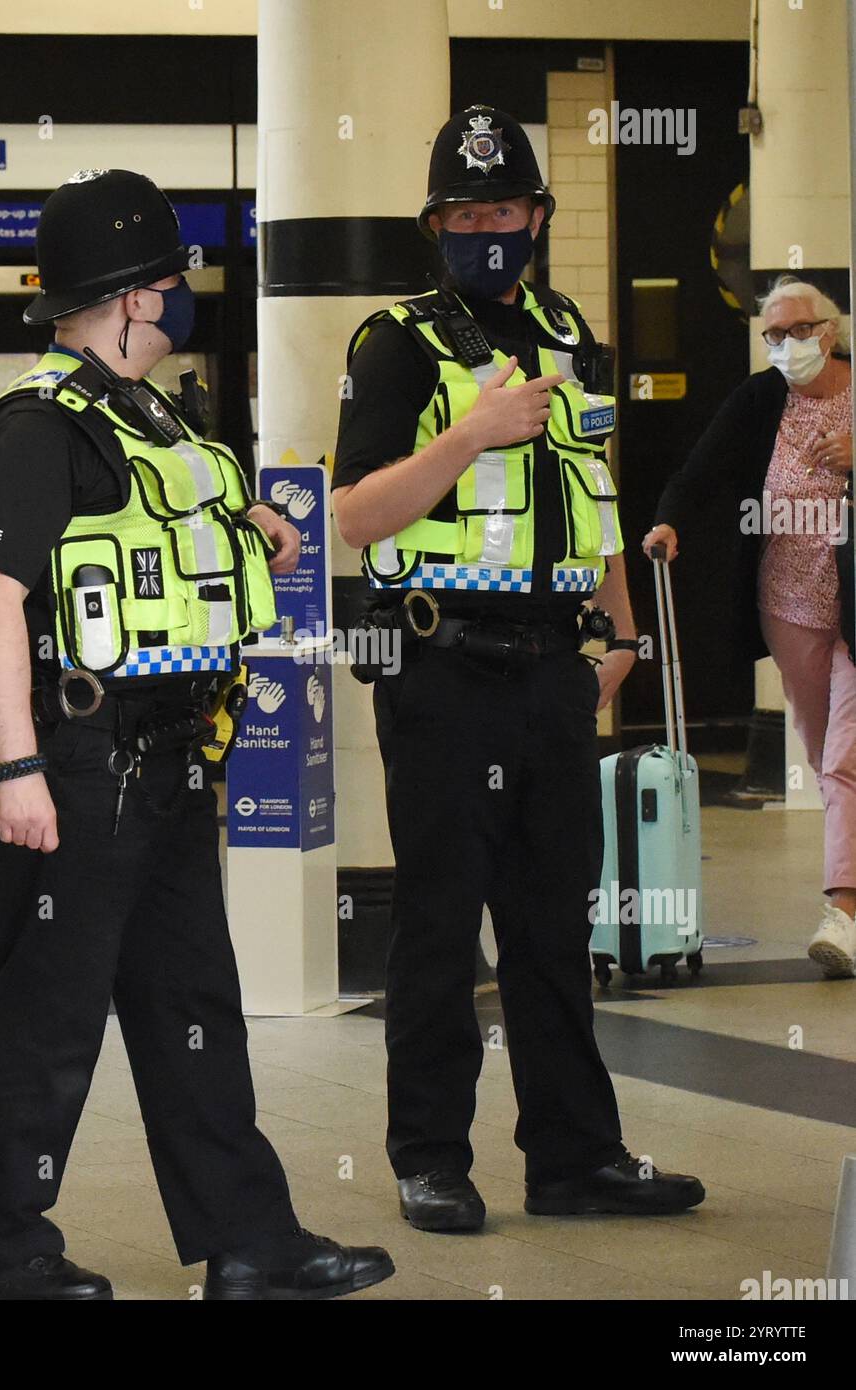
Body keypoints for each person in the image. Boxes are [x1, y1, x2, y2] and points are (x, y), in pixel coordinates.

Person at [0, 168, 393, 1301]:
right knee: (47, 1021)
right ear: (132, 297)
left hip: (172, 754)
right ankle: (0, 1258)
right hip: (83, 757)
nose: (183, 295)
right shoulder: (34, 427)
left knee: (193, 1008)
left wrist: (255, 537)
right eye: (170, 280)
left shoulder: (150, 417)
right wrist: (17, 768)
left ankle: (249, 1241)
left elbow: (175, 531)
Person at [332, 106, 705, 1230]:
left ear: (538, 216)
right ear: (434, 225)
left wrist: (624, 633)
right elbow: (354, 514)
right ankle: (429, 1157)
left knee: (554, 923)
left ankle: (575, 1156)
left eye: (503, 209)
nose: (483, 228)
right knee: (440, 924)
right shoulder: (394, 341)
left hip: (553, 669)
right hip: (444, 668)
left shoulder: (566, 327)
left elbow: (591, 501)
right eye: (462, 212)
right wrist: (468, 437)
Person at [646, 274, 856, 979]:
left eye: (801, 330)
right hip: (789, 608)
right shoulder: (761, 398)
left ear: (831, 330)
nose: (789, 345)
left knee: (843, 762)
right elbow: (700, 470)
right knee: (829, 756)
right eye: (774, 334)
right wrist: (668, 519)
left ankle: (844, 912)